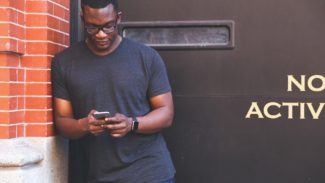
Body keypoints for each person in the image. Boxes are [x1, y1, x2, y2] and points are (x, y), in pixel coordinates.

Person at [51, 0, 175, 182]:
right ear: (82, 19)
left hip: (150, 173)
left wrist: (131, 124)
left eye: (108, 26)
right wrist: (84, 125)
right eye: (92, 27)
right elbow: (62, 121)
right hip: (98, 175)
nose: (101, 34)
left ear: (118, 18)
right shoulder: (64, 62)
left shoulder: (146, 57)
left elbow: (166, 113)